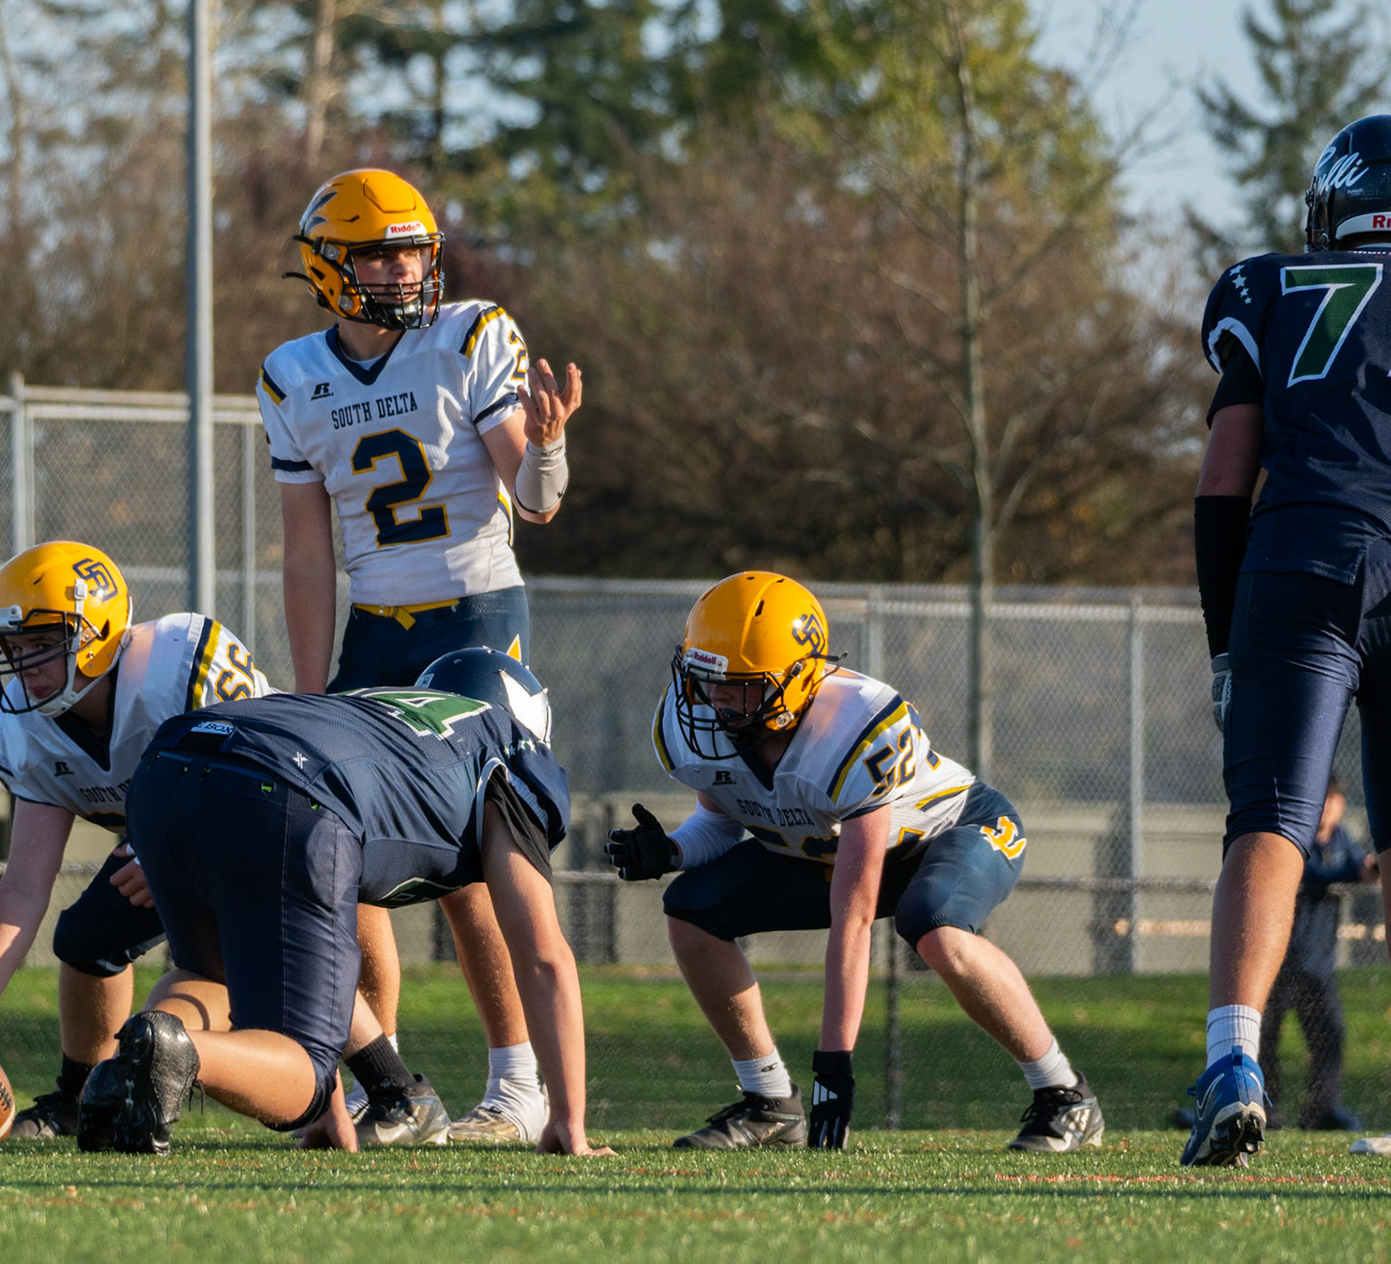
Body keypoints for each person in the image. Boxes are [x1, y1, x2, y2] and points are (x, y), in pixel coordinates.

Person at [261, 167, 584, 1143]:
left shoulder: (470, 336)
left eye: (413, 250)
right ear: (331, 267)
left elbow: (536, 501)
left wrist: (550, 445)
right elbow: (307, 552)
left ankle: (518, 1083)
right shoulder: (292, 374)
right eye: (380, 254)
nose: (405, 270)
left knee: (476, 854)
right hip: (375, 625)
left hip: (474, 615)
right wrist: (311, 693)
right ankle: (386, 1081)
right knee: (338, 842)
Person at [605, 573, 1103, 1153]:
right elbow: (721, 821)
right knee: (691, 908)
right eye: (706, 679)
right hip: (827, 847)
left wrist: (834, 1065)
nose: (715, 700)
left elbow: (855, 918)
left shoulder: (854, 727)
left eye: (739, 687)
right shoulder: (701, 724)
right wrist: (672, 850)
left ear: (797, 680)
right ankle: (769, 1103)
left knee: (936, 929)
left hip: (950, 832)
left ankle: (1065, 1095)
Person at [77, 648, 611, 1159]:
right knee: (304, 1072)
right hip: (285, 791)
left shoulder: (374, 715)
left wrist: (336, 1109)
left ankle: (125, 1071)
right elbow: (542, 957)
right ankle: (173, 1054)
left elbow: (316, 958)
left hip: (170, 763)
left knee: (209, 975)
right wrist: (568, 1118)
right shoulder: (505, 749)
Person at [1189, 114, 1391, 1167]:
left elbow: (1227, 474)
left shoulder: (1270, 285)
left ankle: (1233, 1063)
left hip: (1306, 551)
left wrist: (1226, 643)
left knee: (1269, 821)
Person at [0, 540, 267, 1139]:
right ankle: (79, 1098)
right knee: (86, 937)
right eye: (13, 647)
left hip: (264, 827)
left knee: (265, 966)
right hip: (171, 843)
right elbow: (24, 885)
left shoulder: (176, 670)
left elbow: (259, 781)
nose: (23, 665)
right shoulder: (25, 732)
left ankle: (380, 1080)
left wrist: (175, 850)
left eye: (40, 644)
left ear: (96, 633)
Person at [1258, 776, 1378, 1133]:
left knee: (1330, 1036)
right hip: (1282, 964)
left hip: (1318, 966)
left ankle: (1320, 1112)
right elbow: (1312, 873)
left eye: (1333, 799)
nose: (1327, 807)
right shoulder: (1297, 836)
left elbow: (1357, 863)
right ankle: (1263, 1110)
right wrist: (1353, 872)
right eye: (1322, 799)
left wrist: (1367, 868)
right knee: (1264, 1038)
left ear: (1342, 804)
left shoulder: (1342, 839)